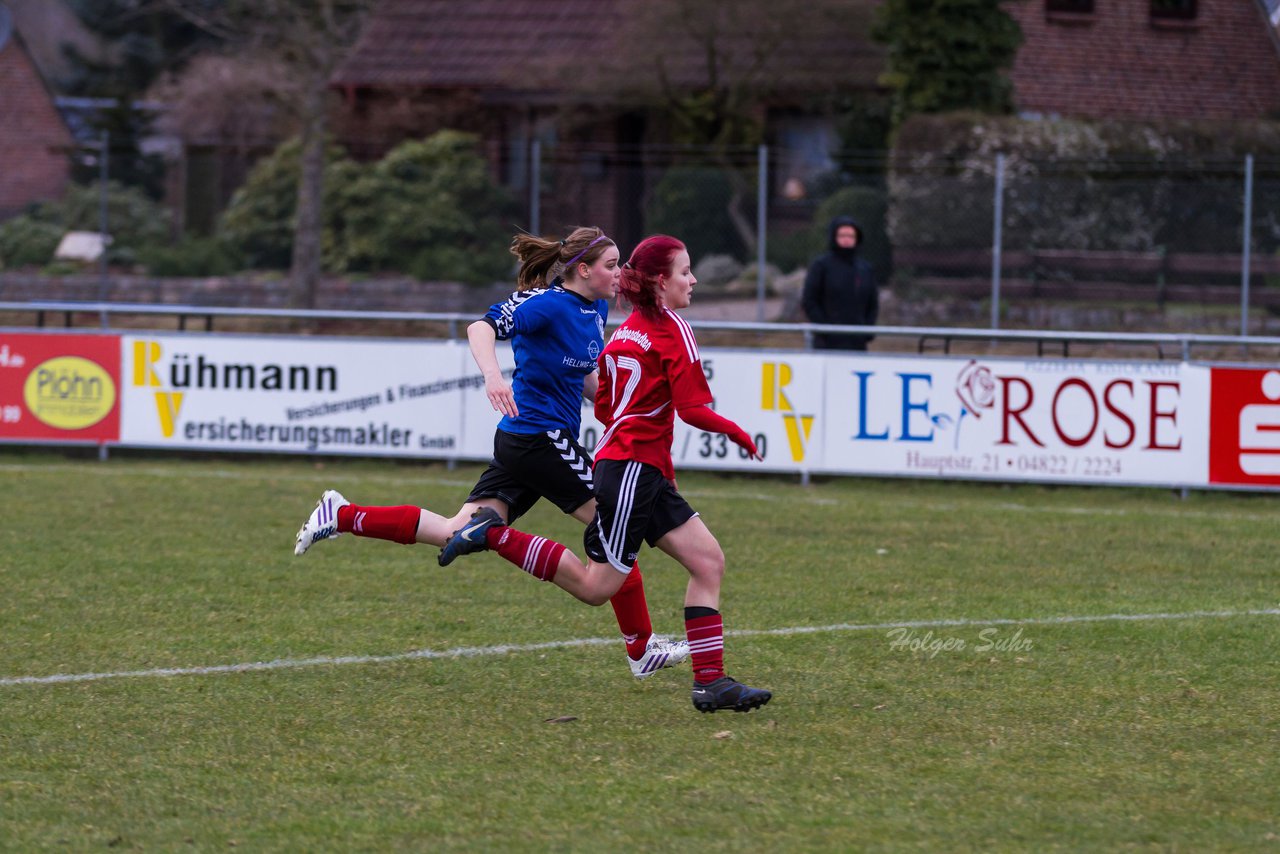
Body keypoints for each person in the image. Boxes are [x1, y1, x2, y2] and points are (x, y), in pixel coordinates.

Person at [292, 226, 689, 679]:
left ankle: (340, 515)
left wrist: (621, 406)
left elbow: (581, 377)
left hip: (528, 442)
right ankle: (640, 649)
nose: (620, 274)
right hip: (539, 439)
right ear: (584, 270)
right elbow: (480, 327)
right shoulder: (546, 304)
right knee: (616, 526)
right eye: (612, 265)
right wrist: (492, 376)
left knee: (451, 530)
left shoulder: (594, 308)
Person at [438, 235, 773, 714]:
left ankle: (711, 682)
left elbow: (612, 405)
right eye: (685, 272)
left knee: (708, 561)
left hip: (638, 468)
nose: (693, 280)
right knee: (598, 587)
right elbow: (693, 410)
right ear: (661, 281)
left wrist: (660, 461)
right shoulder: (671, 328)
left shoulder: (625, 329)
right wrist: (738, 434)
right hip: (632, 471)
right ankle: (491, 535)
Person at [802, 215, 879, 351]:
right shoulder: (821, 266)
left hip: (857, 342)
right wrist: (824, 329)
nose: (847, 239)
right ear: (834, 236)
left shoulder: (865, 269)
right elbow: (809, 300)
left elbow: (872, 304)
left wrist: (868, 330)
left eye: (851, 236)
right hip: (826, 344)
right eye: (842, 235)